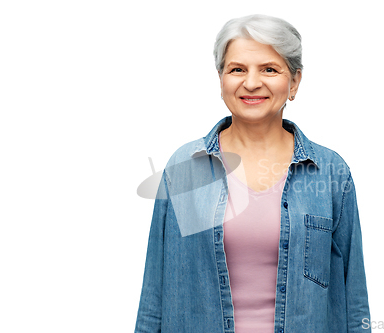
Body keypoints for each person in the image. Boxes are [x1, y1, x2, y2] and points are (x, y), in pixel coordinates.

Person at [135, 14, 371, 333]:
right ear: (221, 80)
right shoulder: (187, 168)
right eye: (237, 69)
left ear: (294, 82)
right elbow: (155, 296)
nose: (251, 83)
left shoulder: (330, 172)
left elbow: (353, 299)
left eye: (269, 69)